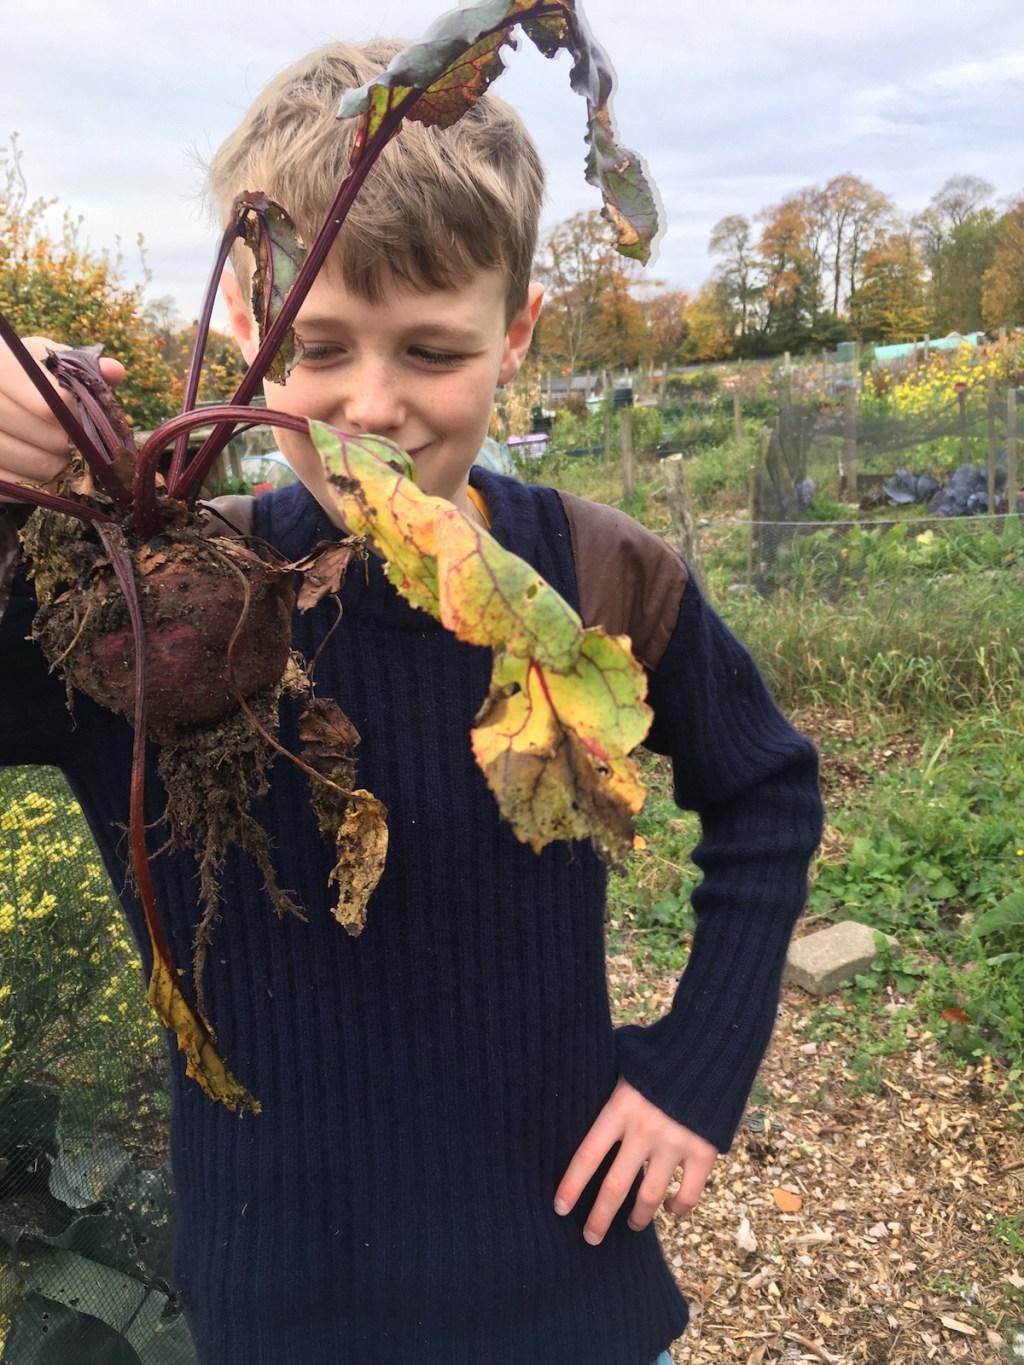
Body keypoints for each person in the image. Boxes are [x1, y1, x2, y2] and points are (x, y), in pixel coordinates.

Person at [0, 39, 824, 1365]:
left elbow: (768, 787)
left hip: (571, 1306)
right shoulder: (134, 599)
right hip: (281, 1318)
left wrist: (696, 1068)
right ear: (242, 330)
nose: (371, 406)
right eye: (316, 345)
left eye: (432, 351)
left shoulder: (598, 577)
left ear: (518, 333)